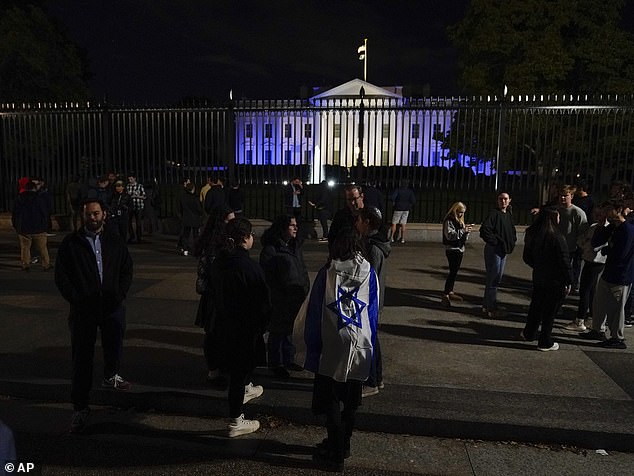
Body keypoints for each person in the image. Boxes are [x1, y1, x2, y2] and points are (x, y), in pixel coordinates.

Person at [293, 224, 378, 472]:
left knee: (330, 396)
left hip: (332, 341)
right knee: (351, 399)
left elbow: (314, 308)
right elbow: (372, 308)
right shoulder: (368, 271)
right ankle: (344, 443)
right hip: (359, 341)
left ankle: (335, 453)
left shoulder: (329, 271)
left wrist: (307, 342)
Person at [54, 198, 133, 433]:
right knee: (82, 357)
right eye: (89, 214)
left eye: (97, 213)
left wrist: (119, 293)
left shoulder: (115, 240)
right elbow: (62, 277)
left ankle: (112, 375)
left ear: (104, 215)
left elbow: (126, 268)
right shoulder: (71, 243)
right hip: (83, 309)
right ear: (83, 215)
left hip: (111, 306)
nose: (93, 218)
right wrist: (77, 298)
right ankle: (80, 406)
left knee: (114, 344)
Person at [208, 217, 271, 437]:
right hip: (244, 328)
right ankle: (236, 420)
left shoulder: (220, 262)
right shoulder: (249, 267)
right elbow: (262, 302)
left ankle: (244, 389)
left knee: (238, 370)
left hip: (224, 324)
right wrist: (263, 324)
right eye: (251, 235)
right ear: (245, 238)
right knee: (238, 372)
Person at [260, 215, 310, 378]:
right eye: (291, 225)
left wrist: (304, 287)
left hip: (295, 296)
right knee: (278, 332)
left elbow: (301, 269)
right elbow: (268, 277)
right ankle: (276, 363)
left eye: (296, 225)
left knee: (290, 330)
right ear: (282, 228)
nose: (295, 228)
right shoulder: (271, 250)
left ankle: (288, 358)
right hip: (281, 298)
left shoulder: (295, 247)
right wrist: (279, 295)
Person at [581, 200, 634, 349]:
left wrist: (606, 250)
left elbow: (621, 254)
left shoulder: (627, 230)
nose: (605, 214)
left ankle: (617, 337)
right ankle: (597, 329)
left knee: (617, 309)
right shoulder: (612, 227)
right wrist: (601, 224)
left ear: (619, 210)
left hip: (621, 276)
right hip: (609, 273)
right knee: (599, 303)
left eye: (608, 210)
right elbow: (596, 242)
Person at [194, 206, 235, 385]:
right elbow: (207, 274)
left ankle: (219, 367)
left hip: (218, 295)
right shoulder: (215, 246)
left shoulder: (224, 242)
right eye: (229, 220)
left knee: (219, 335)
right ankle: (214, 370)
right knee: (214, 335)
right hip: (215, 297)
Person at [522, 207, 572, 351]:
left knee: (536, 306)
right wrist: (569, 281)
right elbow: (564, 261)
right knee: (550, 312)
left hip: (539, 277)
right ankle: (545, 341)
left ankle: (529, 333)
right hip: (555, 280)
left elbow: (527, 257)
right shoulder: (557, 237)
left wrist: (538, 266)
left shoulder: (533, 233)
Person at [355, 206, 390, 397]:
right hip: (373, 300)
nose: (356, 223)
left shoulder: (373, 248)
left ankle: (371, 381)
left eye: (359, 220)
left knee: (368, 341)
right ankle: (378, 378)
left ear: (367, 222)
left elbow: (370, 278)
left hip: (369, 301)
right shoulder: (375, 243)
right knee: (372, 339)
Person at [566, 206, 609, 333]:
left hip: (596, 261)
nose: (597, 216)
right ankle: (591, 316)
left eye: (600, 214)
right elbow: (582, 240)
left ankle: (580, 319)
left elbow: (594, 244)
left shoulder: (606, 228)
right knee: (590, 290)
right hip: (590, 259)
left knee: (585, 289)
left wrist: (587, 243)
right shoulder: (594, 226)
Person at [479, 192, 517, 318]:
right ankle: (491, 307)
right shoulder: (494, 214)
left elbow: (511, 230)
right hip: (494, 250)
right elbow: (485, 229)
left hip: (503, 250)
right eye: (501, 199)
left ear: (509, 200)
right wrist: (495, 242)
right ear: (497, 200)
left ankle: (486, 305)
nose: (503, 201)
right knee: (493, 279)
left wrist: (511, 241)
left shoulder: (508, 214)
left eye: (506, 199)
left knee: (496, 278)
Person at [11, 180, 51, 271]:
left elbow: (15, 214)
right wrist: (47, 225)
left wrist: (16, 226)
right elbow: (44, 212)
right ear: (34, 188)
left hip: (24, 228)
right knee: (42, 248)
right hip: (39, 227)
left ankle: (25, 264)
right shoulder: (39, 198)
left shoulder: (19, 199)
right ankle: (46, 264)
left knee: (25, 248)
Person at [441, 202, 473, 306]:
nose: (461, 215)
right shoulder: (449, 220)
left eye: (463, 213)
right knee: (452, 271)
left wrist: (467, 232)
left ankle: (450, 291)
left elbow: (462, 236)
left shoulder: (460, 220)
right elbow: (450, 235)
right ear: (455, 210)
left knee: (454, 271)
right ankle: (445, 294)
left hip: (460, 248)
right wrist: (463, 231)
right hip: (452, 249)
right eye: (460, 212)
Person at [176, 178, 202, 256]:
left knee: (185, 234)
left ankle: (185, 249)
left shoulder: (183, 197)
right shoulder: (195, 198)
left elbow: (180, 208)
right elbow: (199, 209)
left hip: (186, 217)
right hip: (195, 218)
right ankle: (196, 249)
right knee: (195, 235)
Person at [389, 179, 416, 243]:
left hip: (398, 208)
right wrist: (409, 205)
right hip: (406, 209)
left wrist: (395, 202)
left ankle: (391, 237)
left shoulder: (398, 190)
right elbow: (413, 201)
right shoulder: (410, 191)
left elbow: (392, 198)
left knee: (394, 223)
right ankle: (402, 238)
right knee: (403, 224)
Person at [126, 172, 146, 243]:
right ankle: (132, 236)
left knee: (138, 222)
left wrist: (137, 196)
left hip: (139, 206)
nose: (130, 180)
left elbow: (144, 196)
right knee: (129, 222)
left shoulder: (139, 186)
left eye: (131, 179)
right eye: (129, 179)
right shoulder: (128, 186)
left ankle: (139, 237)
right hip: (130, 206)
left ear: (134, 178)